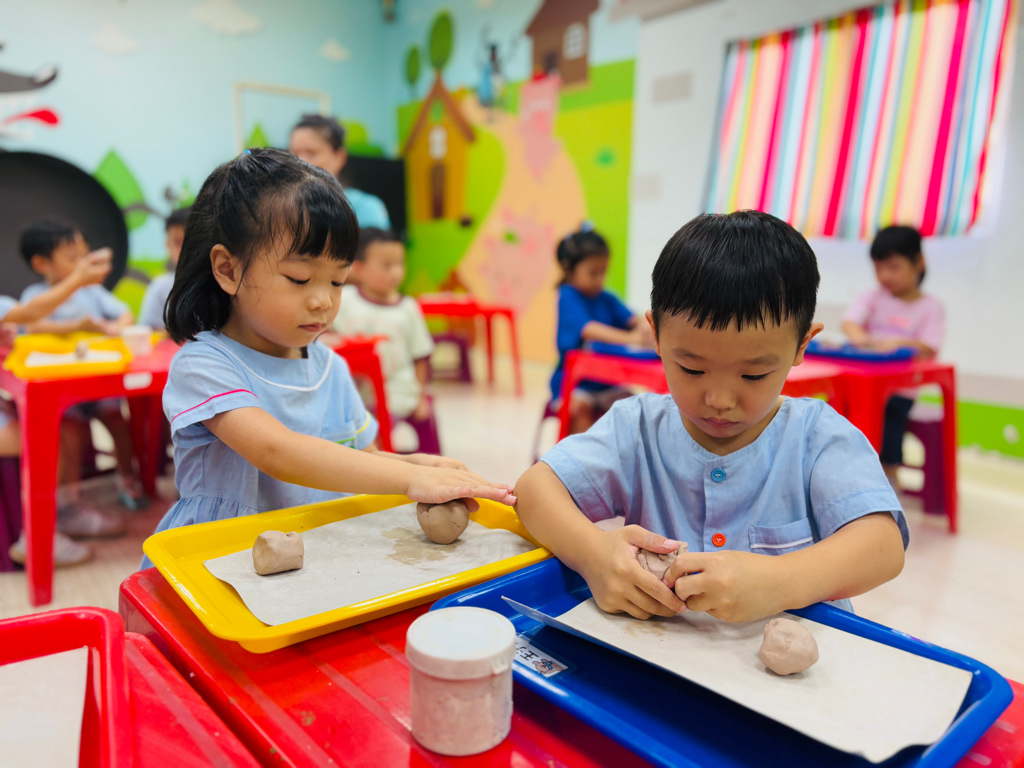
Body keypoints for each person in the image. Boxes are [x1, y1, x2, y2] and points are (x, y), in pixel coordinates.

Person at [515, 210, 908, 623]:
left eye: (753, 375)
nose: (719, 400)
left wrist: (781, 580)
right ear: (657, 336)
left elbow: (883, 545)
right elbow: (534, 490)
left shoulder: (817, 436)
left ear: (801, 345)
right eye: (692, 369)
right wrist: (594, 554)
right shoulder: (637, 428)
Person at [142, 148, 514, 567]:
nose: (323, 301)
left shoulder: (330, 368)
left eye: (337, 281)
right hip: (216, 559)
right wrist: (412, 478)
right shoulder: (204, 364)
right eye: (300, 278)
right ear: (228, 270)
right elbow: (277, 451)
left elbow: (363, 459)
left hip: (312, 556)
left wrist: (420, 463)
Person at [19, 220, 148, 514]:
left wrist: (116, 327)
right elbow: (31, 325)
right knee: (71, 431)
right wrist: (77, 325)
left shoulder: (92, 292)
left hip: (98, 384)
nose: (83, 265)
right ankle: (70, 498)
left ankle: (127, 478)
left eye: (84, 256)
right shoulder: (36, 295)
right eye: (72, 258)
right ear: (41, 263)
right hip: (63, 391)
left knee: (118, 420)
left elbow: (124, 314)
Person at [1, 251, 115, 566]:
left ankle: (66, 510)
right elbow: (30, 314)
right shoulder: (38, 294)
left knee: (65, 426)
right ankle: (36, 536)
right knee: (46, 437)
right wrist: (79, 279)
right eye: (70, 256)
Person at [842, 225, 945, 486]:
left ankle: (888, 475)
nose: (884, 275)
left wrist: (900, 343)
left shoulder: (930, 307)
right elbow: (850, 323)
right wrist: (860, 338)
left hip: (899, 391)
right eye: (878, 268)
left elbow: (929, 347)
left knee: (889, 418)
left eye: (893, 267)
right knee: (838, 411)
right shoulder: (872, 297)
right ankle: (844, 473)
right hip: (862, 384)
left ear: (918, 263)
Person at [550, 225, 654, 435]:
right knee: (580, 410)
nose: (600, 279)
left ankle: (620, 455)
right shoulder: (567, 296)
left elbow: (634, 319)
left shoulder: (606, 298)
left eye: (603, 272)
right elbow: (589, 329)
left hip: (607, 382)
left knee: (636, 410)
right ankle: (583, 456)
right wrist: (632, 339)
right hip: (574, 383)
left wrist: (646, 327)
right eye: (593, 273)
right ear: (569, 269)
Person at [330, 228, 434, 424]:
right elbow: (325, 333)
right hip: (351, 389)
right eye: (387, 265)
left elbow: (420, 356)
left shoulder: (408, 308)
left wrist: (421, 397)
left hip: (396, 391)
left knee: (378, 425)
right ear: (359, 269)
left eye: (400, 263)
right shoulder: (345, 299)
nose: (396, 272)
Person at [288, 114, 390, 229]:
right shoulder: (284, 206)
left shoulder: (365, 208)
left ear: (339, 157)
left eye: (311, 153)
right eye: (294, 154)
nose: (300, 161)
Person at [139, 206, 191, 331]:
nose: (185, 249)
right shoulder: (160, 287)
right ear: (168, 245)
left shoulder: (220, 285)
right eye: (177, 243)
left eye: (190, 242)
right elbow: (149, 331)